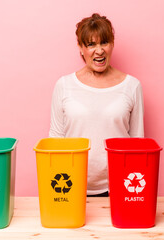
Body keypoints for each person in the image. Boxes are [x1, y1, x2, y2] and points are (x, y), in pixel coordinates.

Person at [49, 13, 144, 196]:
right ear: (80, 48)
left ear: (112, 44)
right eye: (91, 44)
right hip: (69, 185)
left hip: (119, 186)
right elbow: (55, 140)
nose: (99, 51)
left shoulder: (132, 86)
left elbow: (137, 144)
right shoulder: (64, 85)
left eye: (104, 43)